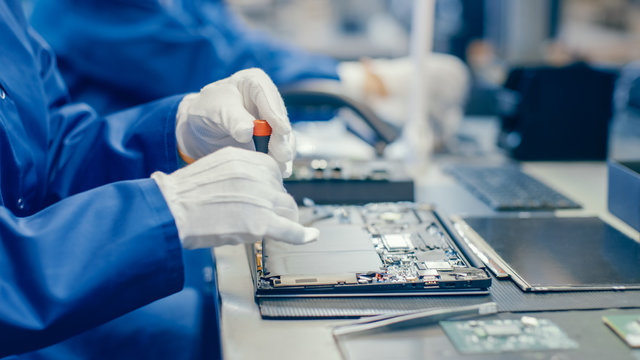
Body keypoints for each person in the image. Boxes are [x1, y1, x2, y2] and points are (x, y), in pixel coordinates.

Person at [0, 1, 316, 359]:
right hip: (24, 321)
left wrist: (179, 130)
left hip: (57, 276)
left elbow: (51, 152)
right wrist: (162, 211)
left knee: (223, 319)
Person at [29, 0, 470, 150]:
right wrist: (358, 83)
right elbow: (202, 66)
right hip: (118, 182)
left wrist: (356, 77)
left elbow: (229, 40)